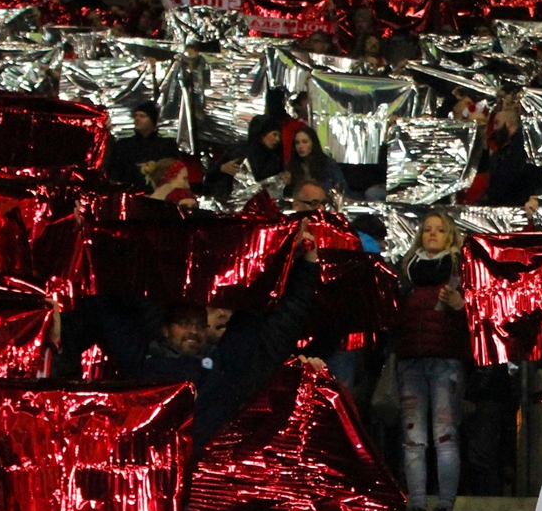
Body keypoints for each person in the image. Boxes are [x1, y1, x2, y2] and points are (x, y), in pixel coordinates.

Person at [60, 221, 324, 448]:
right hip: (142, 468)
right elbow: (109, 299)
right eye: (184, 323)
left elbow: (284, 318)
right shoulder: (141, 359)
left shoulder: (228, 369)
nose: (193, 331)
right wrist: (88, 233)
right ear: (164, 329)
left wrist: (304, 262)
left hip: (202, 477)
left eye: (199, 325)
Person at [396, 210, 470, 511]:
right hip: (411, 360)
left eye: (439, 229)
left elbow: (477, 316)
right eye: (427, 229)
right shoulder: (406, 273)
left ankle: (444, 507)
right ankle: (416, 505)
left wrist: (460, 305)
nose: (432, 234)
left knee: (445, 436)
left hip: (445, 361)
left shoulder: (459, 273)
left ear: (449, 236)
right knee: (414, 438)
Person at [103, 101, 183, 191]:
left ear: (152, 121)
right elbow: (114, 173)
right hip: (130, 193)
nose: (137, 119)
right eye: (135, 116)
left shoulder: (167, 145)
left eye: (142, 116)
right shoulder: (123, 145)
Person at [285, 126, 347, 199]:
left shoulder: (328, 164)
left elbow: (341, 188)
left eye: (305, 142)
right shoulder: (291, 166)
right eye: (297, 143)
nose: (300, 146)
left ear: (313, 143)